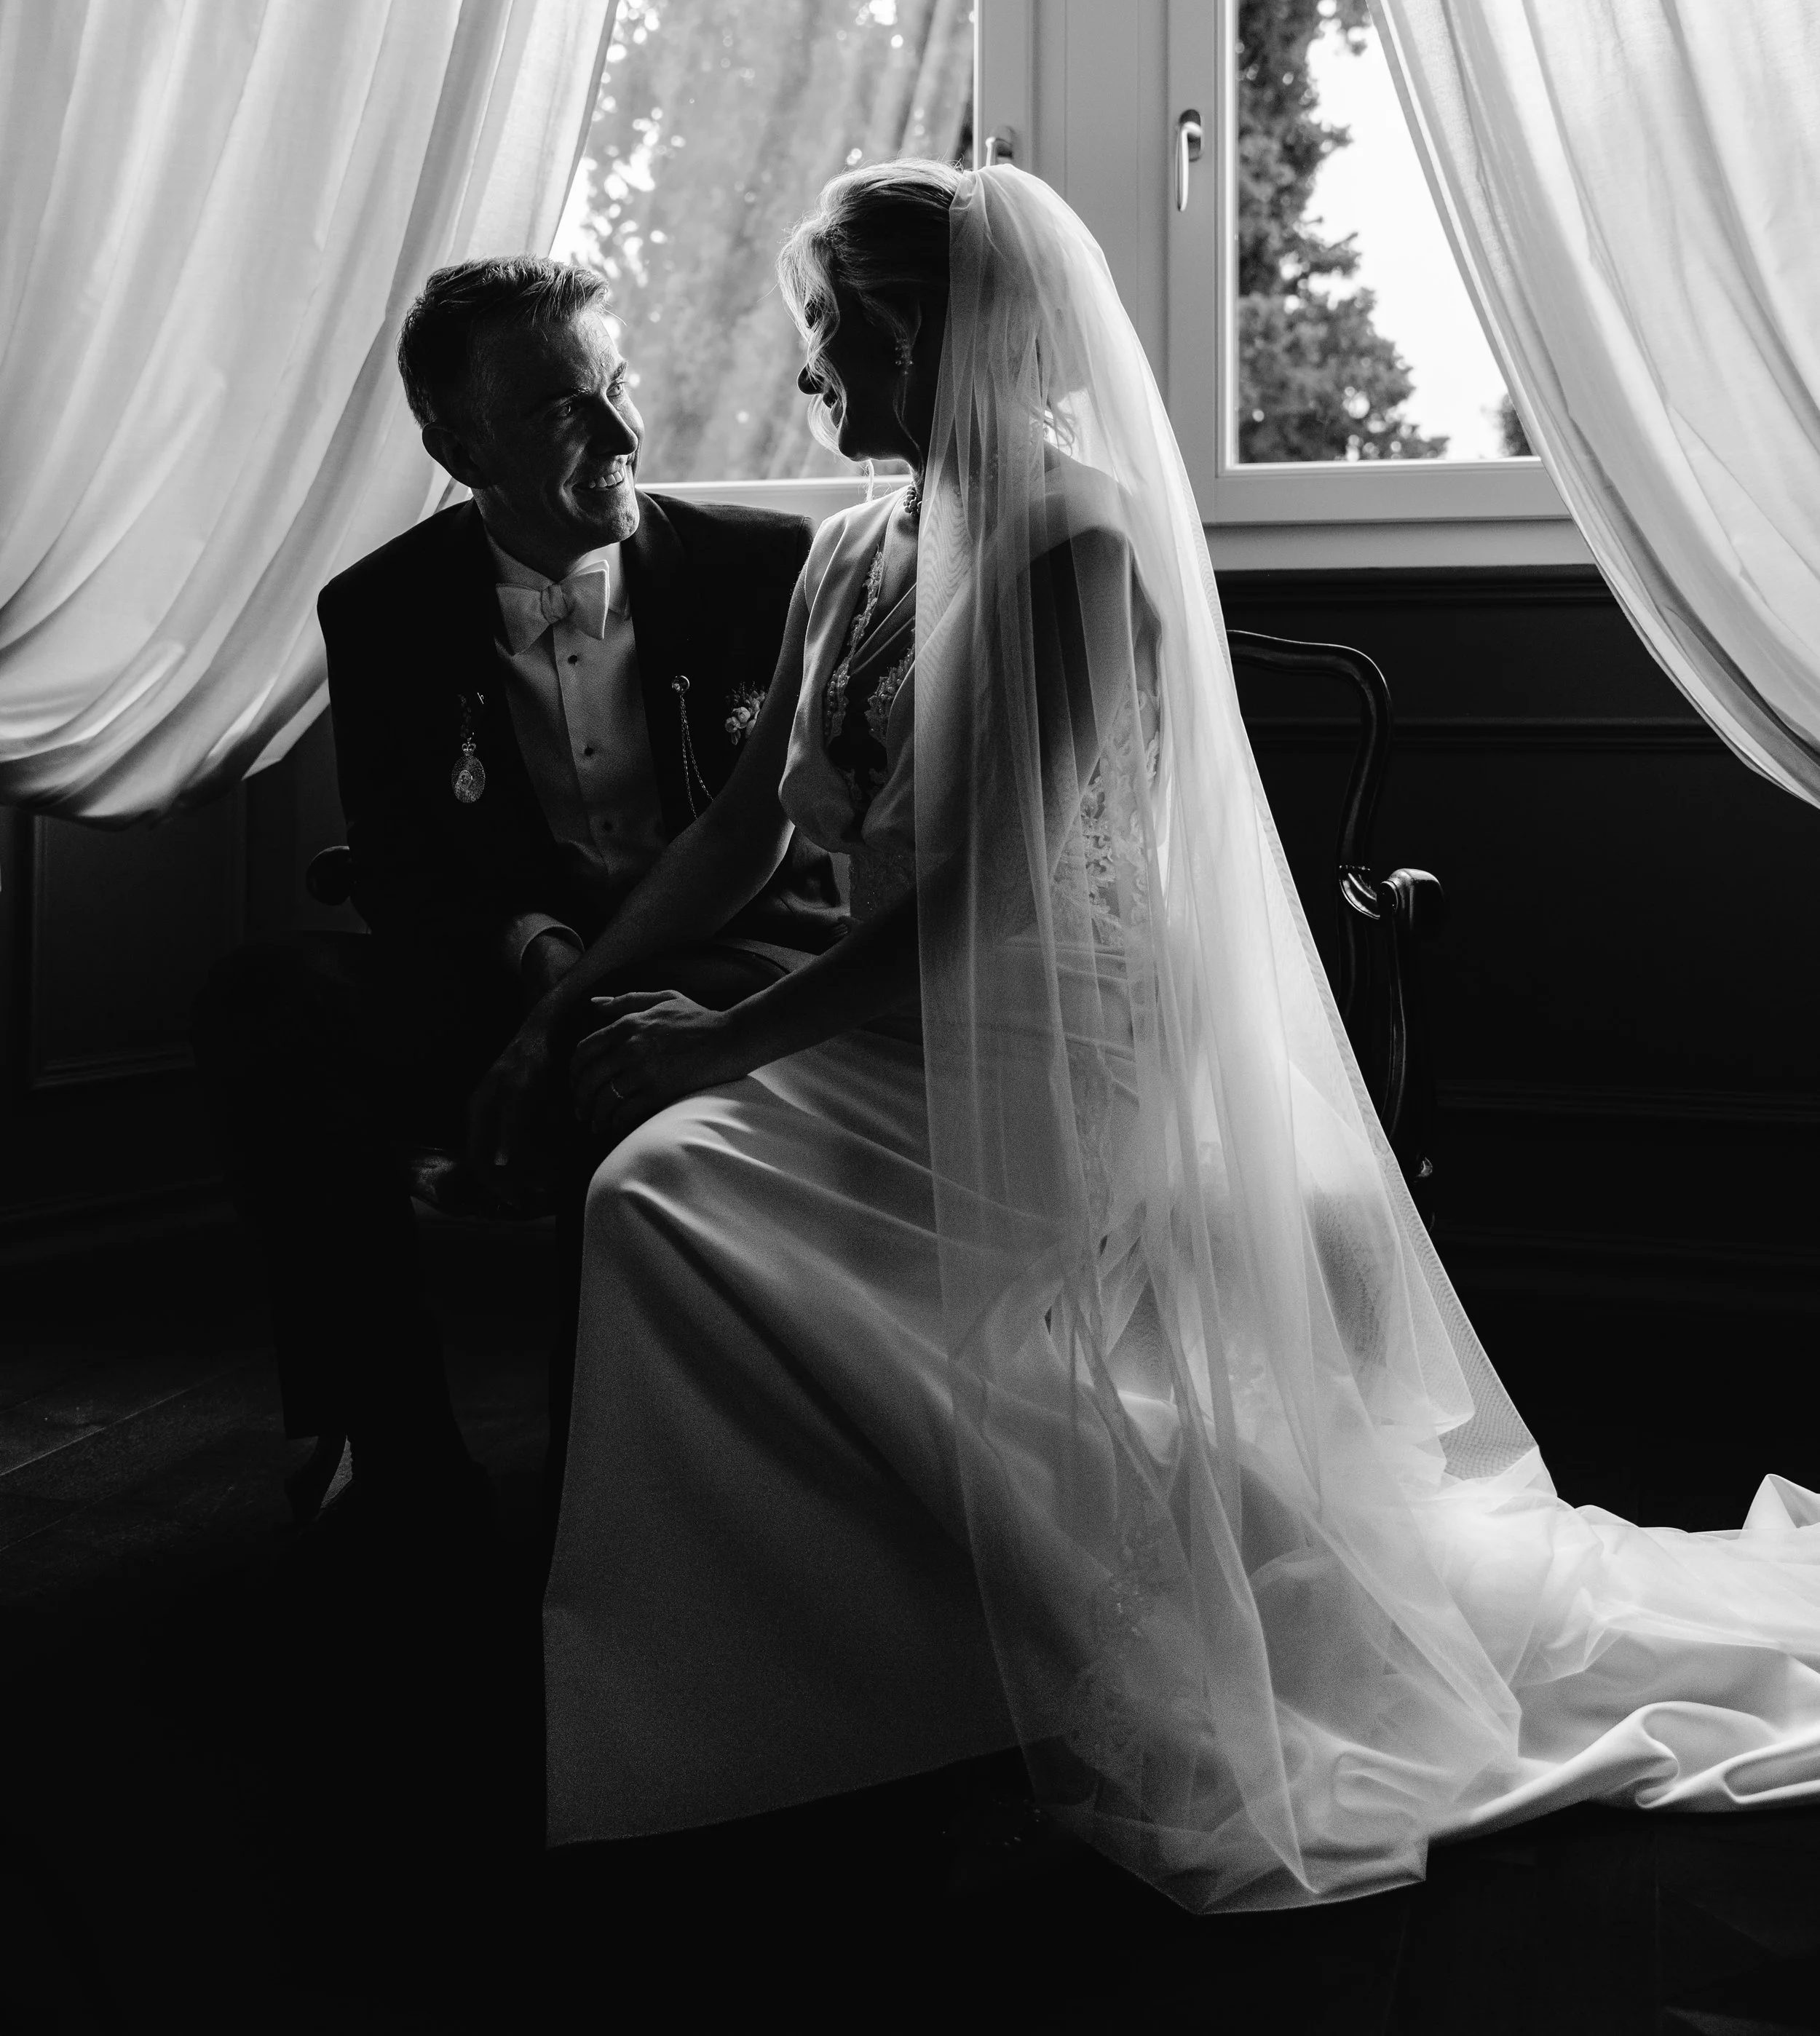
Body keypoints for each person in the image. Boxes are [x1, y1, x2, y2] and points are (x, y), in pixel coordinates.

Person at [513, 160, 1820, 1911]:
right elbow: (742, 831)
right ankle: (816, 1669)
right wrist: (576, 1000)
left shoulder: (1079, 550)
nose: (812, 377)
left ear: (919, 337)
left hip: (1046, 1066)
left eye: (831, 333)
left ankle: (872, 1680)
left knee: (658, 1197)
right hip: (889, 1038)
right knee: (647, 1182)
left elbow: (980, 904)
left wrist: (710, 1048)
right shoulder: (847, 550)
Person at [193, 257, 841, 1544]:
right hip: (500, 975)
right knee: (266, 1001)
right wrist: (537, 955)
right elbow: (397, 859)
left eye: (619, 384)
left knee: (617, 1059)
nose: (621, 433)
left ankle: (605, 1510)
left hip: (724, 959)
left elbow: (793, 840)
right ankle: (393, 1445)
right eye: (561, 408)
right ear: (455, 440)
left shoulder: (768, 567)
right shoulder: (378, 608)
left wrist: (587, 1001)